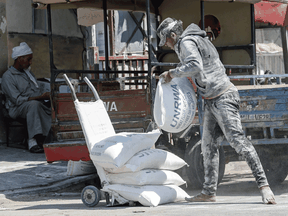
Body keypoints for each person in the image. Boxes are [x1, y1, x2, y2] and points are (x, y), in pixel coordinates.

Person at [157, 17, 276, 204]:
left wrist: (172, 73)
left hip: (223, 97)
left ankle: (264, 187)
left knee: (238, 141)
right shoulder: (196, 38)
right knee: (209, 146)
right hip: (212, 99)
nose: (168, 45)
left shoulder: (187, 42)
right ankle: (209, 192)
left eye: (167, 41)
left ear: (173, 35)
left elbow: (195, 65)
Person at [2, 42, 51, 153]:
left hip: (34, 103)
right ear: (20, 59)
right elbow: (17, 100)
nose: (30, 62)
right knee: (34, 105)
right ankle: (32, 141)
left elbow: (37, 90)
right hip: (16, 108)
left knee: (52, 105)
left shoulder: (28, 74)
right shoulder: (8, 77)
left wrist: (45, 96)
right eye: (28, 59)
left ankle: (47, 138)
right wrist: (39, 97)